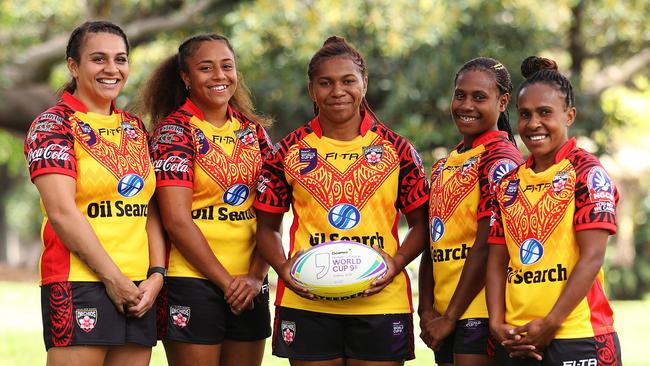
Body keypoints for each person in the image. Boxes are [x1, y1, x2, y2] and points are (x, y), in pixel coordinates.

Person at [254, 36, 430, 366]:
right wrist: (282, 267)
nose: (338, 91)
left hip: (381, 302)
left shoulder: (398, 150)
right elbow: (266, 228)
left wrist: (396, 262)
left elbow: (422, 225)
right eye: (326, 83)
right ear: (311, 90)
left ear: (364, 83)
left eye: (348, 81)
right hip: (308, 302)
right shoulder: (287, 152)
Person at [24, 21, 165, 366]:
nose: (112, 69)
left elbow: (148, 209)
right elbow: (62, 213)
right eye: (98, 59)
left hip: (139, 287)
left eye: (120, 59)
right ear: (73, 65)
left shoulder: (134, 127)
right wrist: (113, 279)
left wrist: (157, 276)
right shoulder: (52, 125)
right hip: (78, 281)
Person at [141, 34, 274, 366]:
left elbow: (271, 215)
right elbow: (176, 221)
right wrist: (227, 282)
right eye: (206, 68)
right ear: (186, 77)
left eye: (226, 66)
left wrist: (255, 277)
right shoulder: (174, 133)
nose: (219, 76)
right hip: (192, 280)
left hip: (249, 282)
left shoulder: (254, 132)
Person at [486, 56, 622, 366]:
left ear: (569, 115)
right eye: (525, 115)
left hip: (577, 335)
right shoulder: (508, 184)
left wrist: (550, 323)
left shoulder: (587, 172)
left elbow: (592, 257)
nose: (533, 124)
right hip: (516, 337)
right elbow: (496, 261)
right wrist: (496, 323)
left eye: (545, 113)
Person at [418, 57, 524, 366]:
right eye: (460, 95)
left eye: (480, 97)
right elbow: (432, 244)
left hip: (478, 311)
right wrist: (426, 309)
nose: (466, 105)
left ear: (502, 102)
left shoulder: (500, 160)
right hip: (442, 314)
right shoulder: (444, 164)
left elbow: (486, 245)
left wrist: (451, 316)